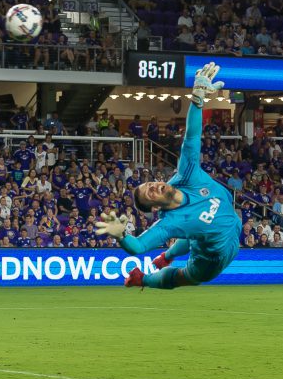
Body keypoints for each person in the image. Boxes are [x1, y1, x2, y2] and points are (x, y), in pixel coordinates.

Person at [96, 63, 241, 289]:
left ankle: (165, 257)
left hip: (233, 226)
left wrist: (197, 100)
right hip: (211, 259)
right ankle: (141, 278)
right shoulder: (169, 222)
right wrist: (121, 236)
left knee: (194, 231)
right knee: (187, 275)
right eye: (149, 193)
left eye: (150, 184)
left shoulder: (187, 174)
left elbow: (192, 137)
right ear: (155, 208)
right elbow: (138, 247)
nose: (154, 187)